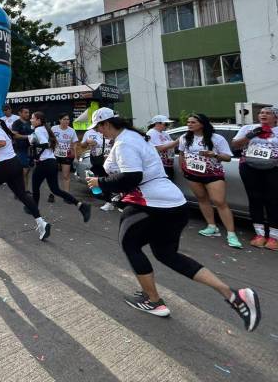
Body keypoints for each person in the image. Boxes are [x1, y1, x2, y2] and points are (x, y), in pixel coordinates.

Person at [85, 108, 260, 330]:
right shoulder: (135, 137)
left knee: (129, 244)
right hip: (173, 203)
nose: (100, 134)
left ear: (105, 125)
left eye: (99, 129)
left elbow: (132, 176)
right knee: (167, 254)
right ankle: (234, 294)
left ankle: (153, 301)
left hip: (151, 202)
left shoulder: (125, 143)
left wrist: (100, 183)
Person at [0, 111, 51, 240]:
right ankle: (41, 222)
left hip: (2, 165)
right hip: (14, 164)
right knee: (22, 194)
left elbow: (1, 143)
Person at [174, 113, 241, 248]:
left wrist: (214, 154)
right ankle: (211, 226)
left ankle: (231, 234)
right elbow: (182, 154)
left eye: (193, 122)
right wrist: (183, 168)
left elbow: (227, 157)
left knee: (219, 202)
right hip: (192, 173)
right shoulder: (184, 138)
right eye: (188, 122)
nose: (189, 125)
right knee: (202, 199)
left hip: (213, 174)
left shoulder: (217, 138)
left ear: (202, 124)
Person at [29, 111, 91, 221]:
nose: (31, 120)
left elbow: (44, 144)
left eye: (32, 118)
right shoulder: (46, 128)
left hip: (44, 163)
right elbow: (50, 144)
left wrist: (36, 155)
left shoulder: (39, 130)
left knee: (35, 188)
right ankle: (81, 205)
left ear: (38, 120)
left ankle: (34, 212)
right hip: (52, 161)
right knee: (55, 189)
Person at [232, 106, 278, 250]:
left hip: (274, 169)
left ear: (275, 117)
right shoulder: (248, 128)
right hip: (249, 168)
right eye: (261, 113)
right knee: (254, 198)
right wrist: (250, 135)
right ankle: (259, 234)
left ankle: (274, 237)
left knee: (273, 201)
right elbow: (235, 145)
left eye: (268, 113)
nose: (263, 115)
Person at [80, 124, 116, 212]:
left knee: (108, 180)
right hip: (96, 160)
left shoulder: (111, 130)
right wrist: (87, 142)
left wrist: (112, 142)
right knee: (97, 178)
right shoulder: (89, 132)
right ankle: (108, 199)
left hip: (109, 160)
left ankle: (110, 202)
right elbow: (82, 145)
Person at [50, 113, 77, 202]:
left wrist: (75, 156)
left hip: (67, 155)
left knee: (66, 176)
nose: (66, 121)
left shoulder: (71, 131)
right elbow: (49, 140)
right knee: (53, 175)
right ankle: (52, 193)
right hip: (55, 155)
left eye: (68, 119)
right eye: (64, 119)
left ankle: (67, 196)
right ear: (60, 120)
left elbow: (74, 144)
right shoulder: (54, 129)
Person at [10, 108, 33, 188]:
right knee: (23, 171)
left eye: (28, 112)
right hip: (20, 149)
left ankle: (25, 190)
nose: (28, 114)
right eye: (25, 112)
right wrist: (29, 137)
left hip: (29, 150)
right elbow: (15, 135)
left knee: (27, 170)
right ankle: (20, 190)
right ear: (20, 113)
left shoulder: (30, 123)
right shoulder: (16, 123)